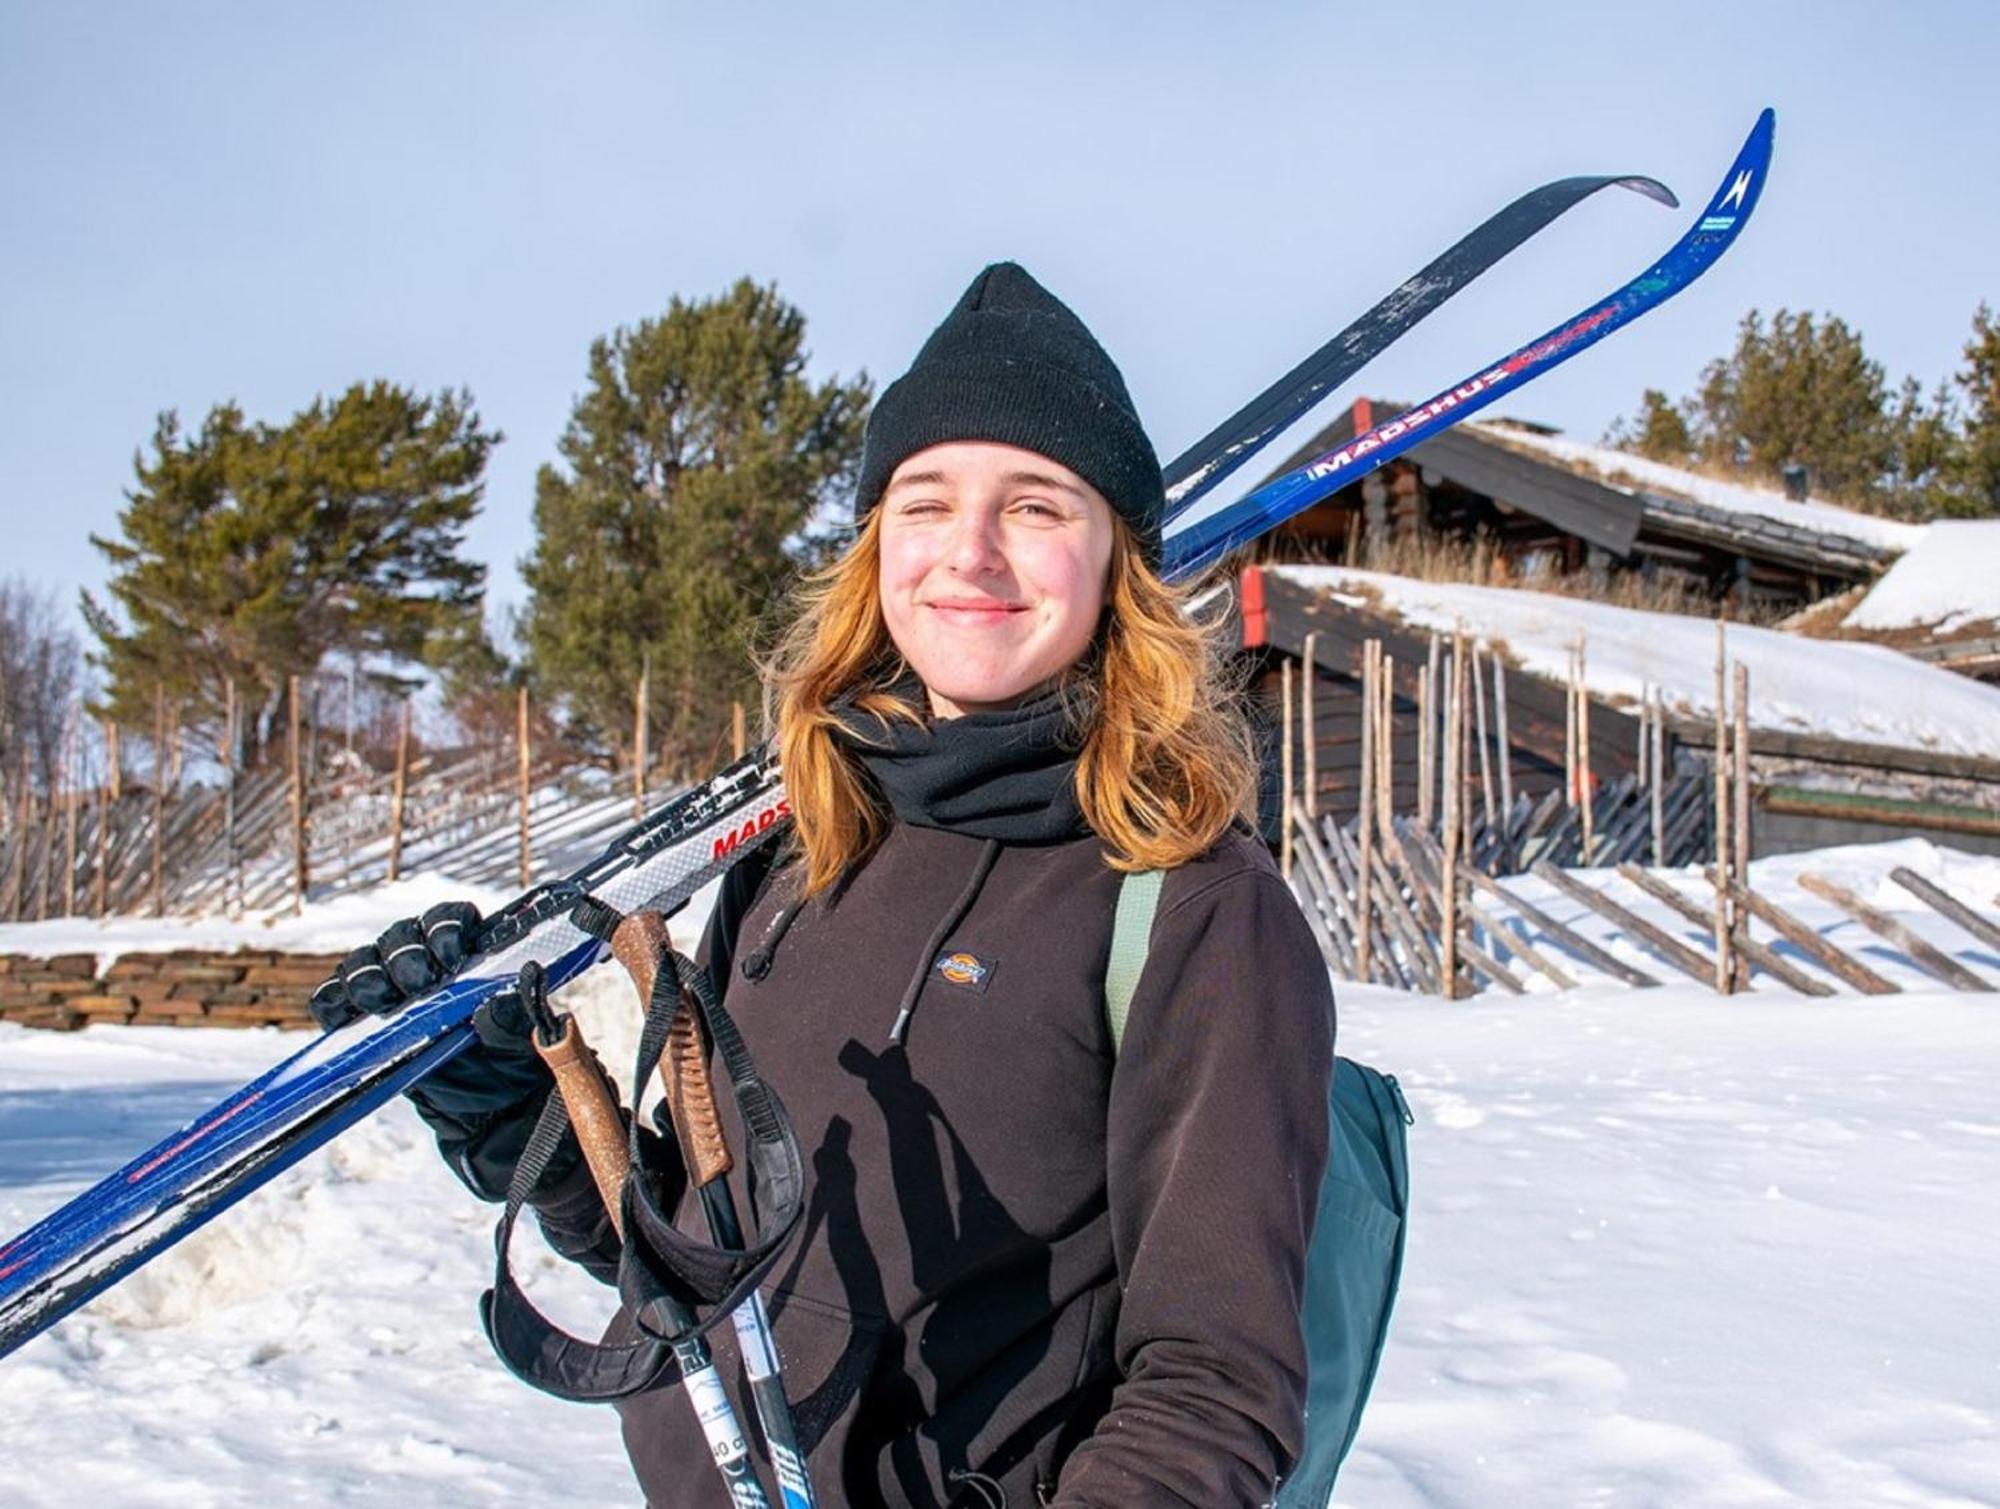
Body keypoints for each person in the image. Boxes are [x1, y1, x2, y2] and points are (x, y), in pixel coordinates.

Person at [314, 263, 1335, 1507]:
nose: (969, 552)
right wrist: (498, 1108)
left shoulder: (1190, 909)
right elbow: (699, 1265)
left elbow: (1212, 1389)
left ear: (1114, 562)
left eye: (1034, 507)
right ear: (875, 549)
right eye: (925, 502)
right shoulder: (796, 848)